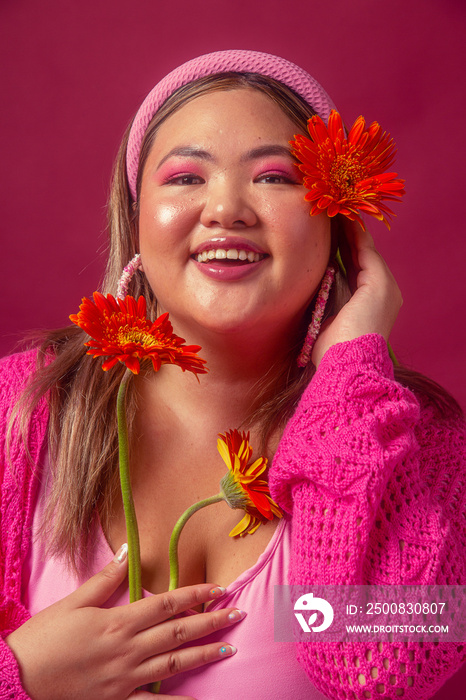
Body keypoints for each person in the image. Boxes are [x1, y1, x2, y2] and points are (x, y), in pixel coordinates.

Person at [0, 50, 464, 700]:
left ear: (337, 223)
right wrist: (21, 678)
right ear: (135, 220)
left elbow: (382, 671)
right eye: (186, 178)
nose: (228, 209)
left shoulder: (431, 447)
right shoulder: (19, 409)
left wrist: (352, 369)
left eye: (275, 177)